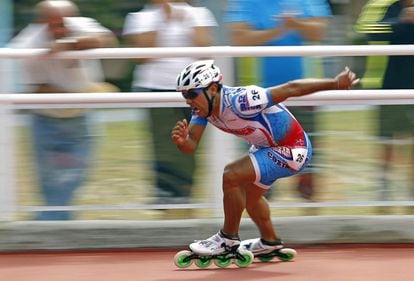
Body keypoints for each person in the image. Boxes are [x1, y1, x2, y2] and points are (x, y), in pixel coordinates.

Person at [171, 60, 358, 255]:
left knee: (231, 174)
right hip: (267, 148)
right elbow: (191, 145)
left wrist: (335, 83)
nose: (187, 100)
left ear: (212, 89)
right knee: (248, 198)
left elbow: (291, 88)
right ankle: (270, 241)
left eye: (191, 94)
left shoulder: (242, 100)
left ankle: (227, 239)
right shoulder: (202, 110)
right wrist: (183, 141)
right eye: (184, 94)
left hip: (294, 149)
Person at [9, 0, 118, 220]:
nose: (60, 29)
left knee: (80, 173)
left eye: (64, 23)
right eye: (53, 24)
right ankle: (53, 224)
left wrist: (69, 44)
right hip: (47, 119)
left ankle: (52, 223)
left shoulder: (81, 25)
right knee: (50, 179)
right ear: (42, 22)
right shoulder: (28, 44)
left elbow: (108, 40)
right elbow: (37, 89)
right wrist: (82, 96)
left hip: (81, 116)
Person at [224, 0, 332, 202]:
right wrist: (282, 28)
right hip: (258, 96)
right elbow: (239, 37)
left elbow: (320, 32)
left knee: (307, 170)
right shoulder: (245, 2)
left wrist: (295, 24)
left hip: (303, 94)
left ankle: (310, 216)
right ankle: (257, 221)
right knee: (256, 171)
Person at [122, 0, 217, 204]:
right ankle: (167, 197)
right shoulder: (140, 17)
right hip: (156, 87)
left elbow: (204, 49)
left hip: (194, 90)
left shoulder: (198, 13)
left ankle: (185, 195)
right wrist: (162, 20)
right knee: (164, 144)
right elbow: (142, 56)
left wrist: (184, 21)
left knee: (192, 143)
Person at [356, 0, 414, 207]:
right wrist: (401, 20)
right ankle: (383, 194)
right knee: (387, 144)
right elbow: (364, 31)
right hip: (388, 87)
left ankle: (411, 198)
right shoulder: (381, 5)